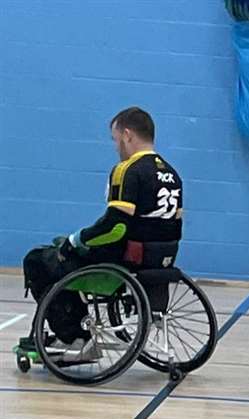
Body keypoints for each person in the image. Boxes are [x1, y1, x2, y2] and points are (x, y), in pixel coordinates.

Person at [17, 107, 183, 358]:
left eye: (115, 139)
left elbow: (115, 228)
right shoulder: (172, 174)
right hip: (159, 258)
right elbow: (175, 224)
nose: (116, 147)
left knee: (39, 260)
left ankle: (75, 337)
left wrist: (78, 239)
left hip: (123, 258)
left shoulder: (128, 169)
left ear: (127, 135)